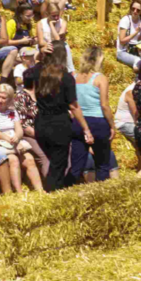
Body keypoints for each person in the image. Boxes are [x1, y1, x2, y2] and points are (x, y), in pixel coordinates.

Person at [36, 51, 94, 191]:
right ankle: (51, 195)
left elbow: (30, 68)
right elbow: (74, 106)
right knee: (58, 165)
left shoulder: (39, 74)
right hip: (58, 124)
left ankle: (52, 191)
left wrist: (41, 53)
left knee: (54, 162)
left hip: (40, 123)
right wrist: (86, 128)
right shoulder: (66, 78)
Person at [0, 82, 43, 192]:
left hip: (14, 141)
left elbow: (19, 128)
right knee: (14, 160)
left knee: (30, 159)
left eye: (4, 98)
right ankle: (19, 192)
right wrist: (13, 142)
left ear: (9, 99)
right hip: (0, 142)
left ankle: (40, 191)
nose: (0, 100)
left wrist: (17, 137)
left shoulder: (12, 110)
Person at [71, 45, 116, 183]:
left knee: (77, 163)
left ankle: (69, 190)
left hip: (78, 122)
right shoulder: (100, 78)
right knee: (102, 163)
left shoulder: (74, 76)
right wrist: (112, 125)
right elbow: (104, 105)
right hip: (98, 122)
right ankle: (102, 192)